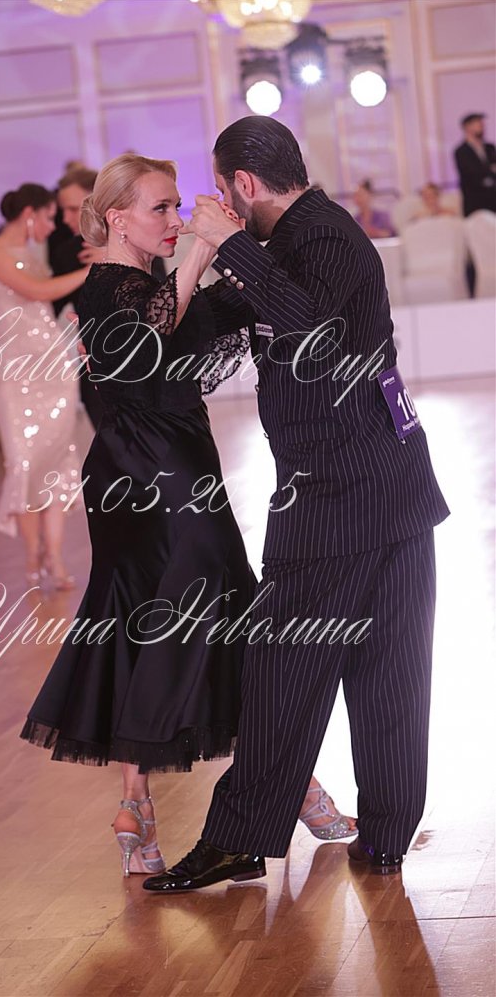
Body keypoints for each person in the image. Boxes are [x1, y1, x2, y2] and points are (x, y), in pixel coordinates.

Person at [19, 153, 356, 878]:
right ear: (117, 218)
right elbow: (154, 340)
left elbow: (207, 330)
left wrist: (246, 247)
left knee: (145, 619)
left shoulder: (145, 286)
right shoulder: (108, 285)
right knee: (218, 621)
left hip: (157, 469)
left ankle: (136, 806)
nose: (174, 218)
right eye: (161, 208)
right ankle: (295, 785)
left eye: (177, 206)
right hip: (157, 477)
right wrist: (202, 250)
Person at [143, 116, 450, 893]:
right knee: (381, 670)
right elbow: (202, 345)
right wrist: (188, 263)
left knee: (289, 669)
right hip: (376, 489)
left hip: (345, 497)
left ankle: (250, 839)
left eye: (223, 190)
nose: (219, 202)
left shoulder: (328, 237)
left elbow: (313, 330)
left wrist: (228, 244)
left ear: (243, 185)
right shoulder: (281, 249)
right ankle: (380, 836)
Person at [0, 183, 101, 588]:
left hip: (53, 368)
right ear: (29, 214)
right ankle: (33, 555)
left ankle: (56, 558)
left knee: (59, 462)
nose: (53, 226)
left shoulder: (32, 254)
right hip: (16, 372)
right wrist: (95, 268)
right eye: (49, 217)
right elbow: (38, 291)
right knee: (25, 463)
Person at [47, 167, 105, 429]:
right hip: (93, 368)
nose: (65, 218)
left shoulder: (137, 240)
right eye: (63, 210)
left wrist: (113, 255)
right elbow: (50, 304)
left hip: (144, 363)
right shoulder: (67, 252)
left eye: (72, 209)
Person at [454, 113, 496, 216]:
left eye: (482, 124)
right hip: (475, 204)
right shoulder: (461, 151)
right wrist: (490, 171)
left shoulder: (490, 148)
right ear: (467, 127)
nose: (482, 127)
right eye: (478, 124)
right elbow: (472, 175)